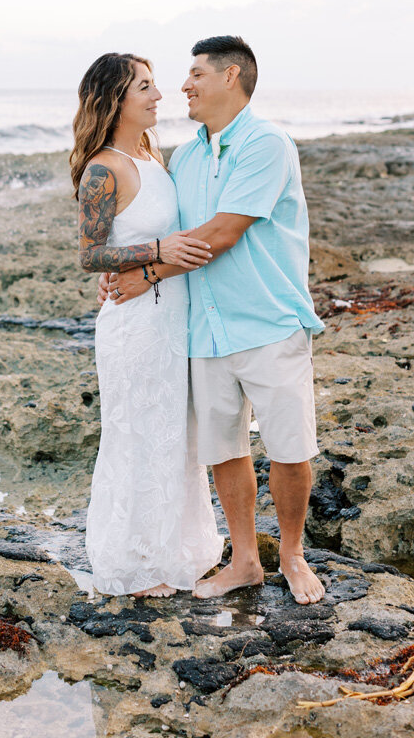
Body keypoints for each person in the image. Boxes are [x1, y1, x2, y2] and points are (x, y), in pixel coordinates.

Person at [102, 36, 326, 605]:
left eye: (196, 74)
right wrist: (132, 262)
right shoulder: (187, 156)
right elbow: (159, 230)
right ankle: (245, 560)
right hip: (203, 327)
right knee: (224, 448)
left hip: (268, 320)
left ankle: (293, 556)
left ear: (231, 76)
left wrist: (144, 274)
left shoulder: (267, 143)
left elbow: (224, 232)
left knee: (288, 447)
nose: (184, 86)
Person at [70, 52, 224, 598]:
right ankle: (131, 560)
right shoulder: (102, 168)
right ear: (116, 99)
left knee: (174, 435)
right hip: (133, 325)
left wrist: (153, 264)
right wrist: (157, 249)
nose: (159, 96)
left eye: (155, 86)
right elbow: (90, 256)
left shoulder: (152, 154)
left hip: (172, 317)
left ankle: (173, 551)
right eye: (145, 87)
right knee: (136, 434)